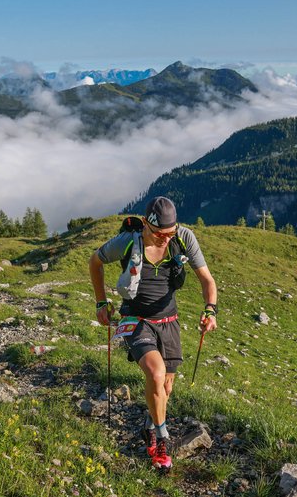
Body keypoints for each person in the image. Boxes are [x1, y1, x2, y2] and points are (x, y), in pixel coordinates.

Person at [89, 196, 217, 471]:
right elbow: (95, 261)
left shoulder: (183, 238)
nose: (164, 239)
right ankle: (162, 439)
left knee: (166, 385)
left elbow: (207, 280)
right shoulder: (127, 241)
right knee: (156, 374)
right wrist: (101, 302)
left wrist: (210, 310)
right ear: (146, 223)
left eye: (169, 234)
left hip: (169, 321)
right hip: (136, 320)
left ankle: (150, 426)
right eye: (159, 234)